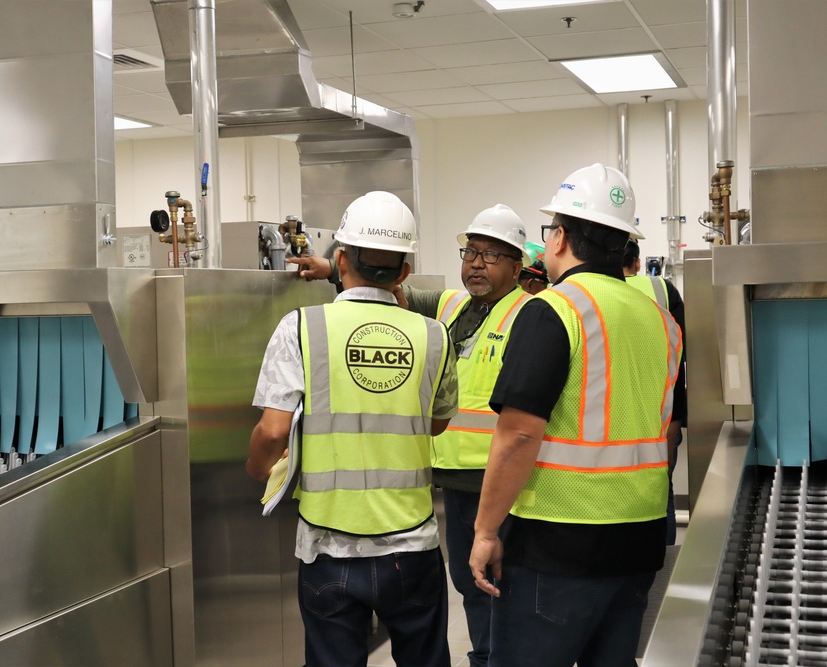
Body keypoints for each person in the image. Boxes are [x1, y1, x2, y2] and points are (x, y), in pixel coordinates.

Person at [291, 203, 531, 667]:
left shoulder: (531, 314)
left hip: (502, 480)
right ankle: (486, 656)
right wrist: (333, 269)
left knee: (502, 586)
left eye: (492, 255)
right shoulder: (451, 307)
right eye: (471, 252)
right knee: (469, 584)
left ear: (518, 267)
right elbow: (384, 289)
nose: (476, 264)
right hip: (453, 479)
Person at [469, 164, 683, 667]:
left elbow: (519, 434)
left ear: (560, 237)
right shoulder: (662, 321)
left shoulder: (555, 310)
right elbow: (667, 428)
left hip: (558, 542)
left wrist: (484, 531)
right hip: (640, 536)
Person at [247, 191, 459, 667]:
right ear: (405, 272)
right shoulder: (433, 334)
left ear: (340, 259)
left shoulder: (300, 327)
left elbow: (273, 430)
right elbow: (438, 423)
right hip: (413, 543)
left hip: (328, 545)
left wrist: (258, 468)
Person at [622, 238, 687, 546]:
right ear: (637, 264)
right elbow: (684, 355)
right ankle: (664, 566)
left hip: (608, 419)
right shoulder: (662, 290)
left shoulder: (581, 296)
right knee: (662, 491)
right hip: (663, 414)